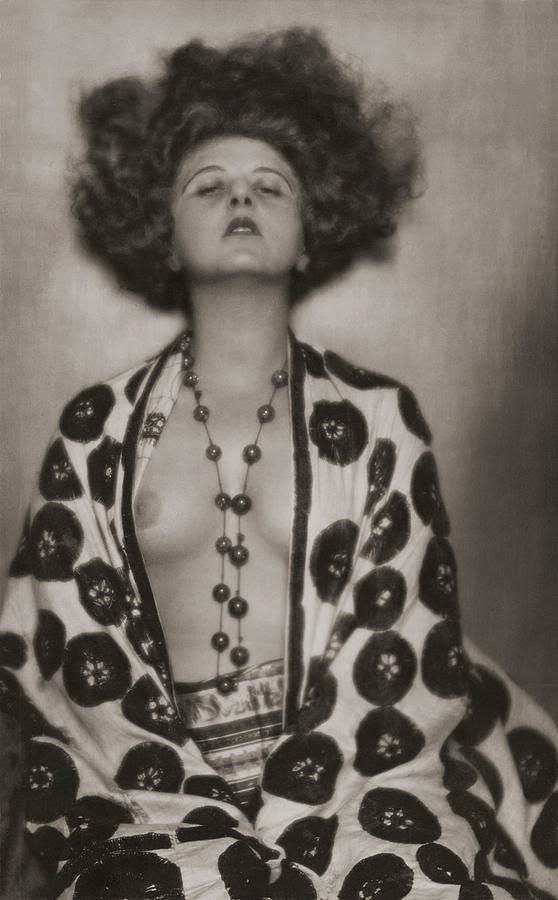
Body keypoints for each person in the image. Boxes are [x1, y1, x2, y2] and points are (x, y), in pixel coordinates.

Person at [0, 26, 556, 900]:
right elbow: (57, 659)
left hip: (364, 783)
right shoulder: (96, 429)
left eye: (271, 184)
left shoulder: (379, 421)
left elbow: (406, 651)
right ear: (163, 233)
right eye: (208, 184)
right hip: (148, 795)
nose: (240, 198)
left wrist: (325, 805)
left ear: (309, 234)